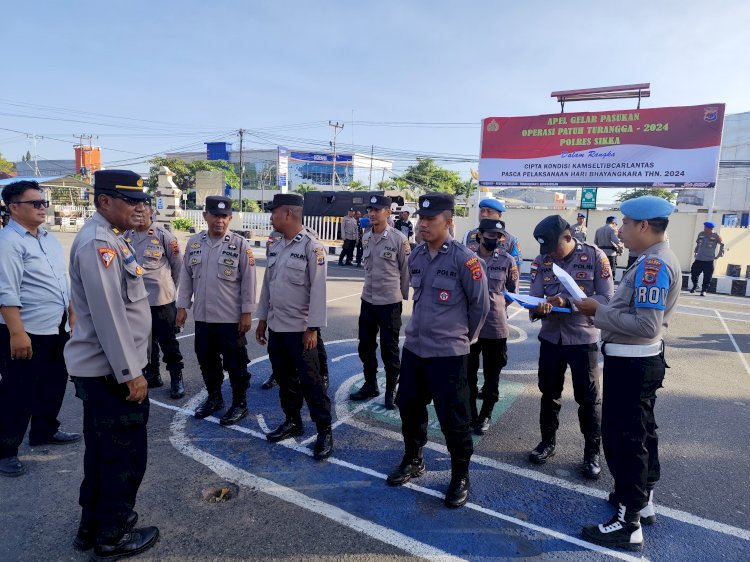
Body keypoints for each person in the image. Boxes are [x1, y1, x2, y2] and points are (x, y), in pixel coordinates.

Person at [577, 196, 681, 551]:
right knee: (642, 432)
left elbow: (646, 324)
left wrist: (599, 312)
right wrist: (602, 311)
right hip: (636, 360)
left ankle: (628, 522)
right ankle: (642, 501)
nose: (618, 230)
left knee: (625, 440)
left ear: (643, 226)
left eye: (624, 224)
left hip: (633, 363)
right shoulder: (650, 260)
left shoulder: (654, 266)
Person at [64, 170, 159, 558]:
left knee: (102, 452)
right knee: (123, 455)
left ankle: (93, 525)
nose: (140, 207)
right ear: (105, 202)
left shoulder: (110, 239)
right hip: (112, 374)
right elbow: (109, 314)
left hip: (105, 372)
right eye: (131, 201)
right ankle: (112, 535)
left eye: (141, 200)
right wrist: (130, 373)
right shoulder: (99, 243)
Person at [386, 192, 489, 508]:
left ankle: (460, 474)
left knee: (453, 418)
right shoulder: (415, 255)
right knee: (409, 407)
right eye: (421, 218)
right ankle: (414, 459)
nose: (423, 224)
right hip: (416, 349)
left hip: (449, 354)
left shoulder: (466, 260)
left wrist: (462, 339)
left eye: (431, 219)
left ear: (449, 222)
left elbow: (480, 307)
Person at [0, 180, 80, 478]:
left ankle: (44, 430)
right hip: (26, 330)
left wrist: (71, 312)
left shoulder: (46, 238)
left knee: (54, 383)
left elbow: (62, 280)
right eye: (35, 203)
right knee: (18, 392)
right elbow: (6, 291)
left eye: (43, 202)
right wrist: (17, 333)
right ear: (14, 208)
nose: (43, 207)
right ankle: (5, 450)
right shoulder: (8, 242)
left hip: (55, 326)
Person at [527, 216, 614, 480]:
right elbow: (533, 296)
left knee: (588, 399)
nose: (550, 254)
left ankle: (591, 454)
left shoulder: (596, 257)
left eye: (554, 247)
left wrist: (567, 300)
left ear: (568, 237)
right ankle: (547, 443)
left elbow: (606, 298)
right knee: (549, 393)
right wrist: (538, 306)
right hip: (551, 338)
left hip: (582, 339)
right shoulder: (542, 261)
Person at [256, 193, 333, 460]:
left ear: (287, 214)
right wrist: (262, 319)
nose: (271, 216)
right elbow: (268, 286)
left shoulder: (313, 247)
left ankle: (324, 431)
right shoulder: (276, 246)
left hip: (301, 332)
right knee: (285, 380)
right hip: (277, 327)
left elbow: (319, 292)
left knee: (312, 383)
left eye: (274, 211)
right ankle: (292, 421)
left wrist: (312, 329)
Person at [176, 196, 256, 426]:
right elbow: (186, 277)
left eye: (224, 216)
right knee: (207, 362)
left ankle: (239, 404)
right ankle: (214, 398)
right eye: (215, 215)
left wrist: (247, 312)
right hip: (202, 318)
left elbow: (249, 282)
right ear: (205, 216)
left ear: (230, 218)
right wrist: (182, 307)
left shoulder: (240, 245)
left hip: (230, 320)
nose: (219, 220)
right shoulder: (194, 243)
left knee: (236, 365)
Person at [349, 195, 410, 410]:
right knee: (365, 346)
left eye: (376, 210)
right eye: (369, 210)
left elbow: (405, 271)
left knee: (389, 349)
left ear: (387, 212)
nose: (372, 214)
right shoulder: (366, 237)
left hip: (389, 303)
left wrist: (402, 297)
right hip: (368, 300)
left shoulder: (398, 239)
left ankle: (391, 390)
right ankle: (370, 384)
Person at [124, 200, 185, 399]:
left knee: (168, 341)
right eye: (135, 210)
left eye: (143, 210)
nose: (139, 214)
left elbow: (178, 267)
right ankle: (153, 373)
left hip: (161, 300)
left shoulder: (164, 236)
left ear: (151, 212)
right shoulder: (127, 236)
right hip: (137, 300)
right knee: (145, 341)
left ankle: (176, 377)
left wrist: (170, 290)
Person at [467, 219, 518, 435]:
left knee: (492, 375)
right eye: (489, 235)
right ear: (479, 235)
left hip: (495, 326)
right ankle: (470, 414)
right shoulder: (467, 258)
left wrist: (494, 304)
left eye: (498, 236)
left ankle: (485, 414)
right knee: (467, 374)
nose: (493, 240)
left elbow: (511, 292)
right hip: (469, 326)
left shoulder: (507, 260)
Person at [463, 198, 522, 268]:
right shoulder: (468, 235)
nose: (484, 214)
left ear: (499, 215)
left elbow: (516, 269)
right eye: (482, 211)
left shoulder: (511, 240)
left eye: (489, 211)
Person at [690, 221, 724, 296]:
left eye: (706, 227)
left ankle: (704, 290)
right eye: (704, 227)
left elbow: (722, 244)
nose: (704, 228)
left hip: (709, 260)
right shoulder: (701, 234)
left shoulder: (716, 236)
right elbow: (698, 244)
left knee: (707, 277)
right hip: (699, 259)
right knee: (694, 273)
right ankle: (695, 286)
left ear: (710, 228)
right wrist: (695, 252)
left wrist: (719, 254)